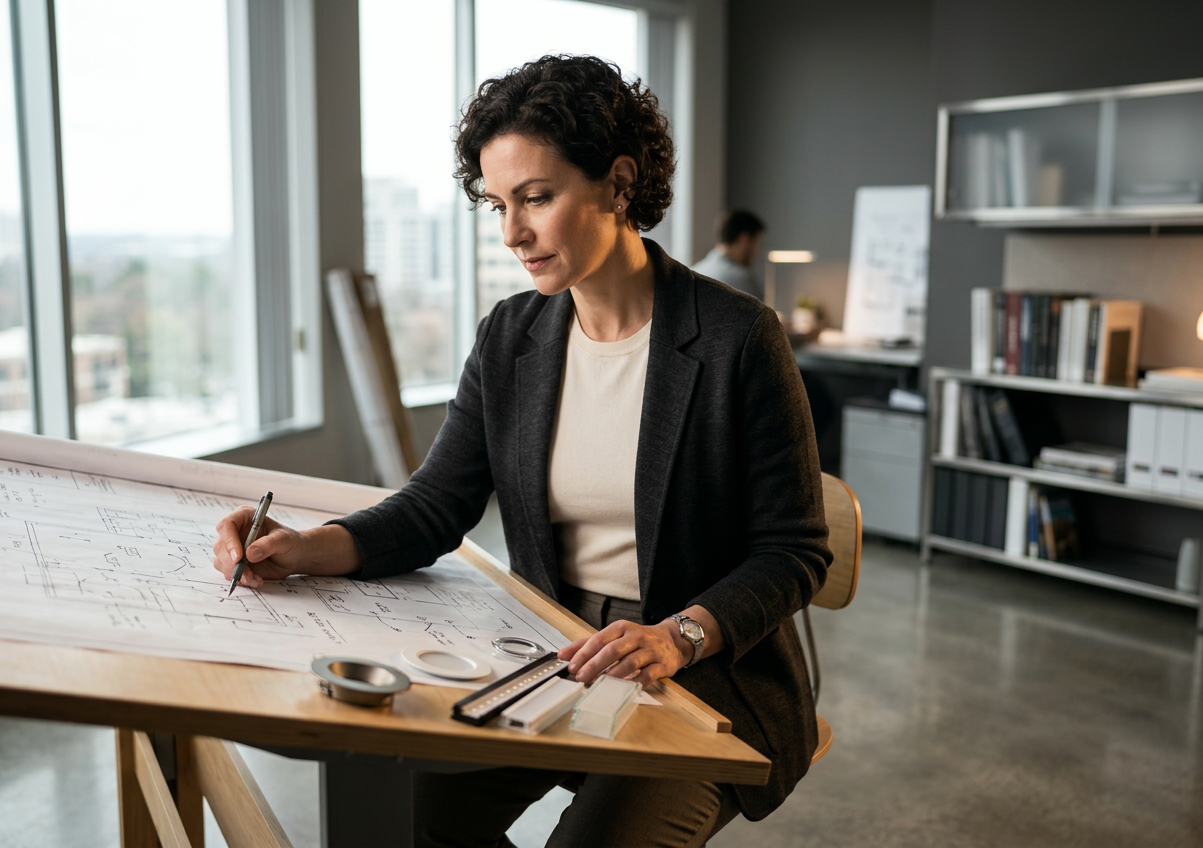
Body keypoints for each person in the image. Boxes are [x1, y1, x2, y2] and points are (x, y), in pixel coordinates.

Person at [212, 55, 830, 848]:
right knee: (419, 816)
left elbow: (794, 550)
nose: (513, 233)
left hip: (701, 672)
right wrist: (306, 547)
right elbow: (438, 503)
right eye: (500, 204)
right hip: (553, 653)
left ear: (618, 183)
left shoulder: (740, 337)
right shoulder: (513, 336)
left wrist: (679, 635)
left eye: (537, 197)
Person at [690, 210, 766, 301]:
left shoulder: (694, 272)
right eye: (757, 244)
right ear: (744, 240)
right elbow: (762, 314)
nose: (757, 252)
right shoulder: (742, 279)